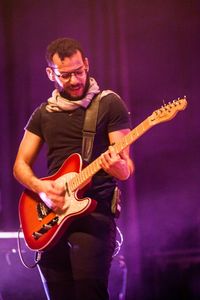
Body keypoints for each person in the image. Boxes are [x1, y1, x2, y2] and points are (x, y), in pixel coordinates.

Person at [13, 37, 134, 300]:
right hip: (51, 216)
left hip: (94, 216)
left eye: (79, 71)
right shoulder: (43, 114)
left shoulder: (109, 104)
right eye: (65, 75)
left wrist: (116, 166)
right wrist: (42, 188)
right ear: (50, 73)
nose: (75, 80)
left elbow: (126, 170)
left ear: (87, 64)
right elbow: (20, 165)